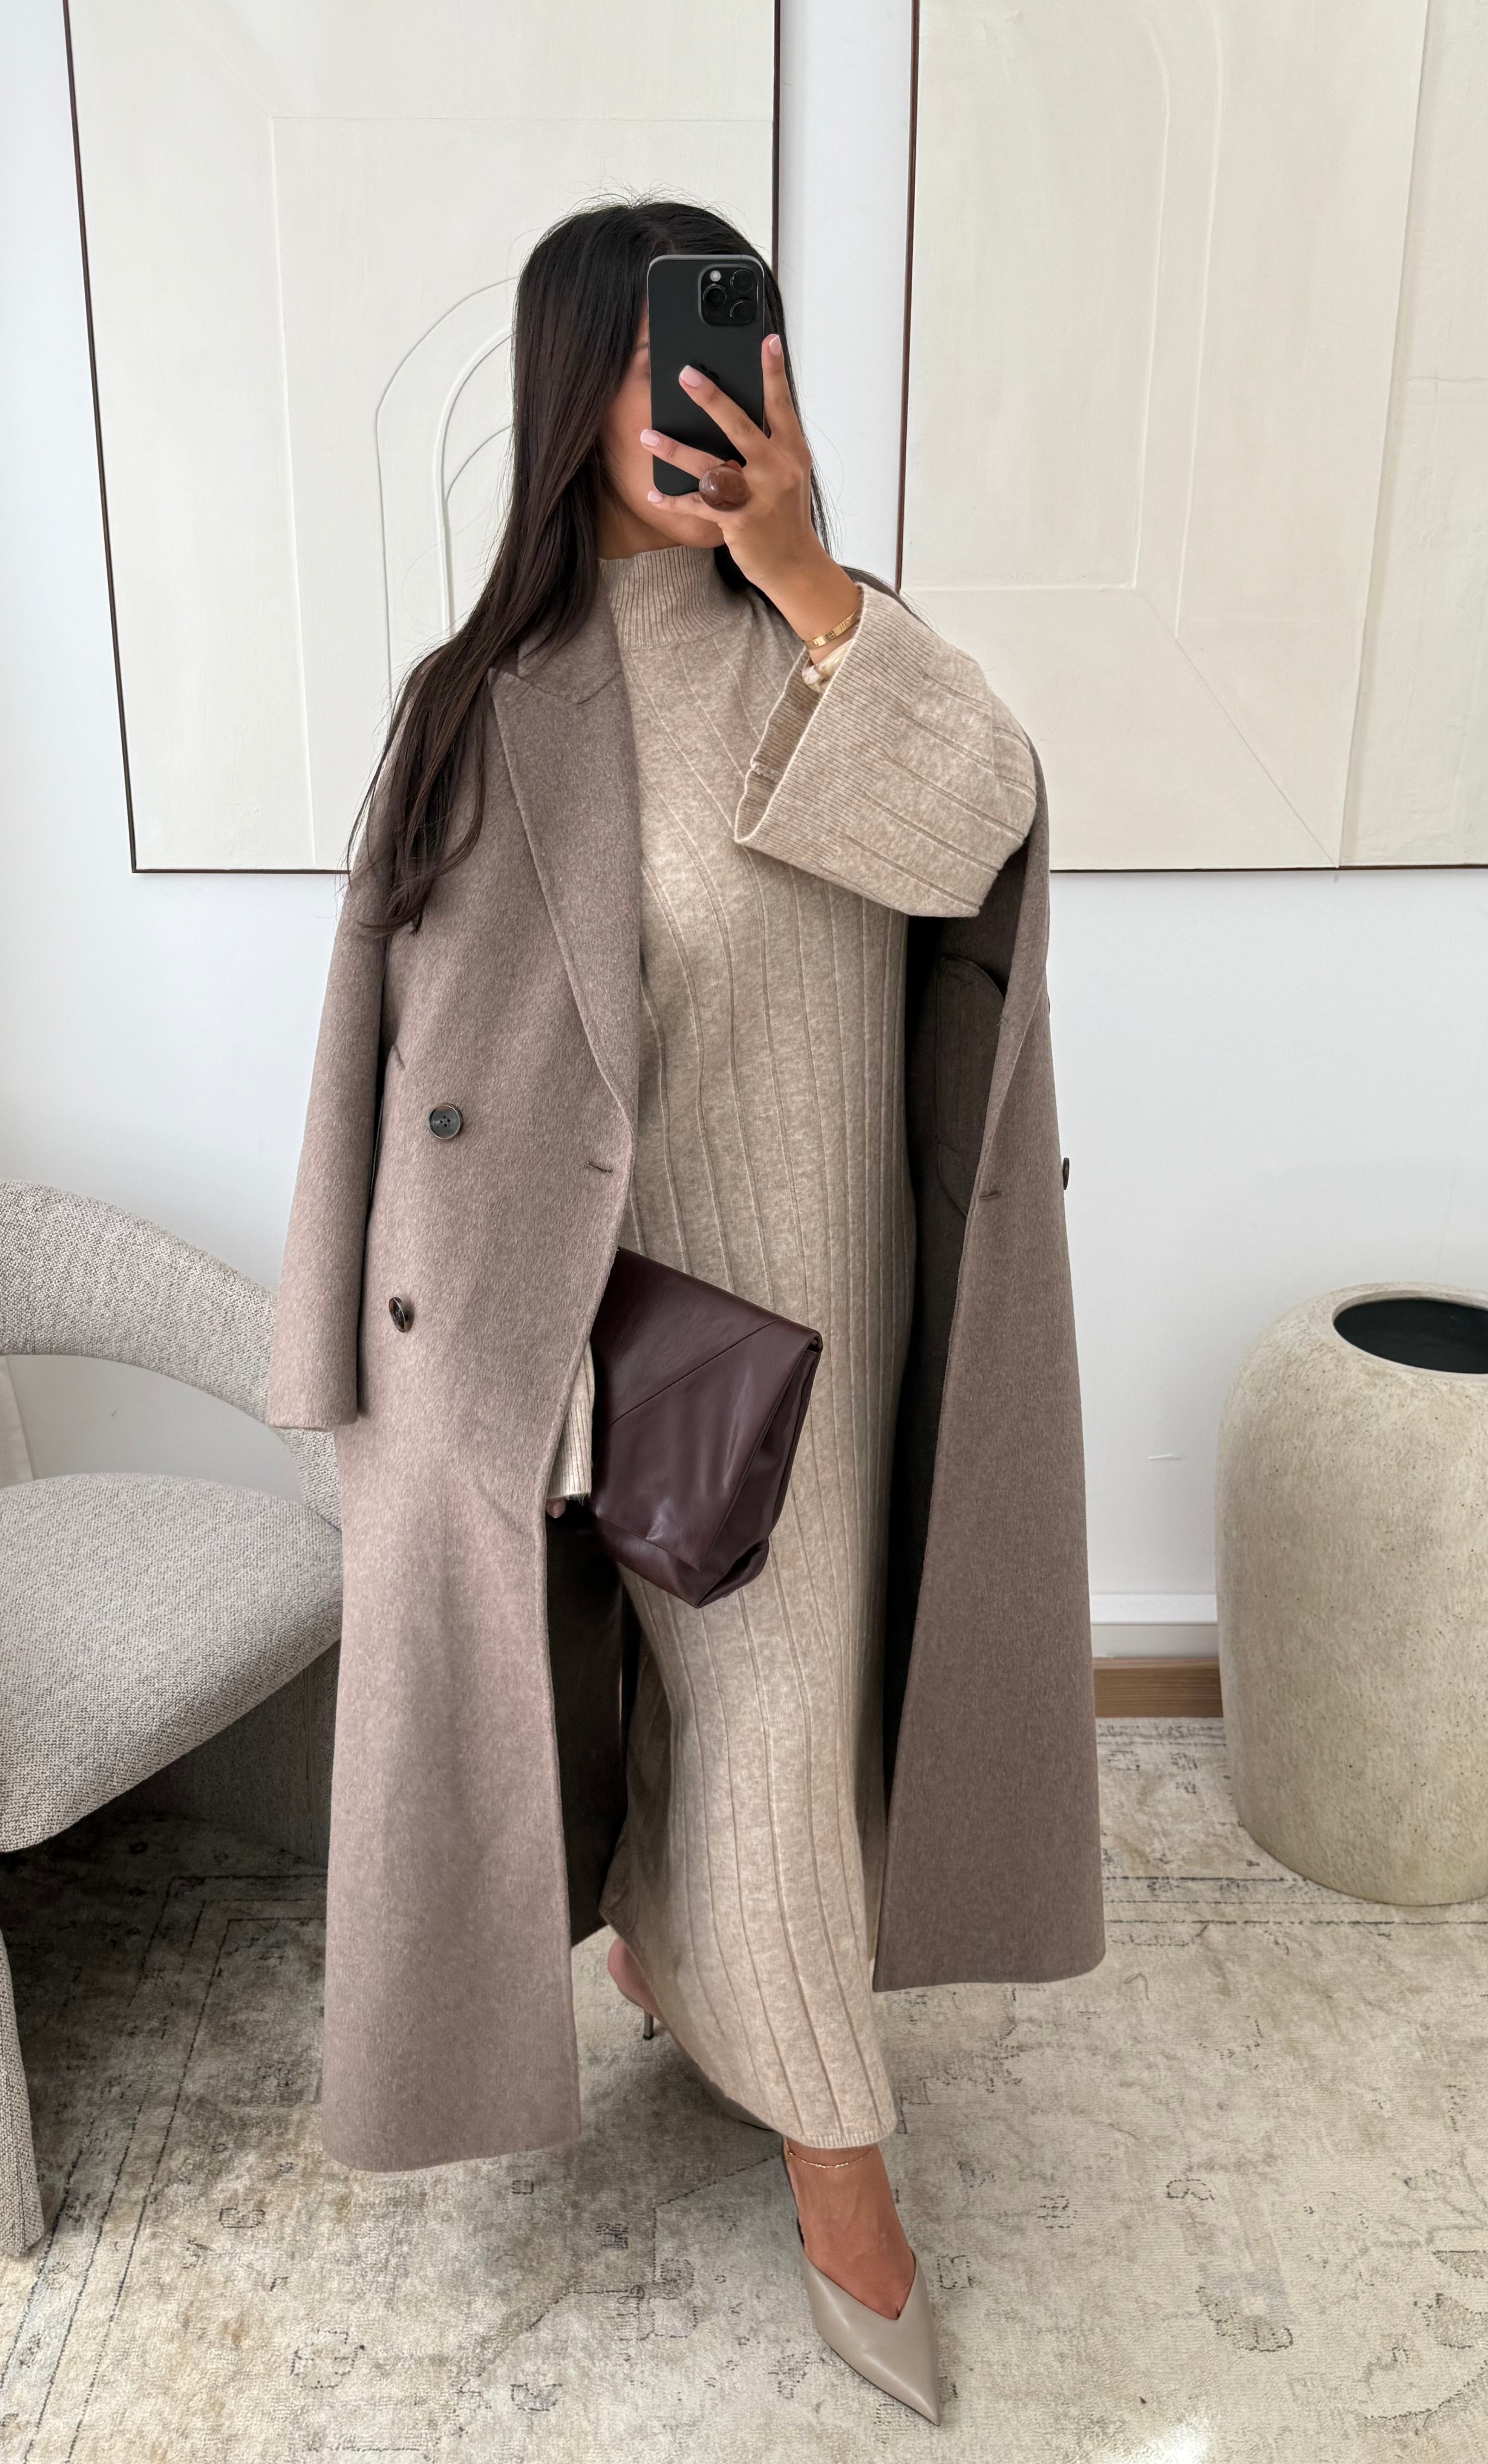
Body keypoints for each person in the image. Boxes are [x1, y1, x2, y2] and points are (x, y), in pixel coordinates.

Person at [267, 197, 1104, 2427]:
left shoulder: (838, 648)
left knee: (776, 1730)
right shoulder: (483, 700)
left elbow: (982, 827)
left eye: (729, 346)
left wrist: (811, 577)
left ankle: (784, 2080)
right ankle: (796, 2114)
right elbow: (380, 1042)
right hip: (559, 1326)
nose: (697, 397)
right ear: (576, 386)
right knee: (677, 1708)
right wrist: (354, 1353)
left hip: (814, 1317)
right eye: (650, 357)